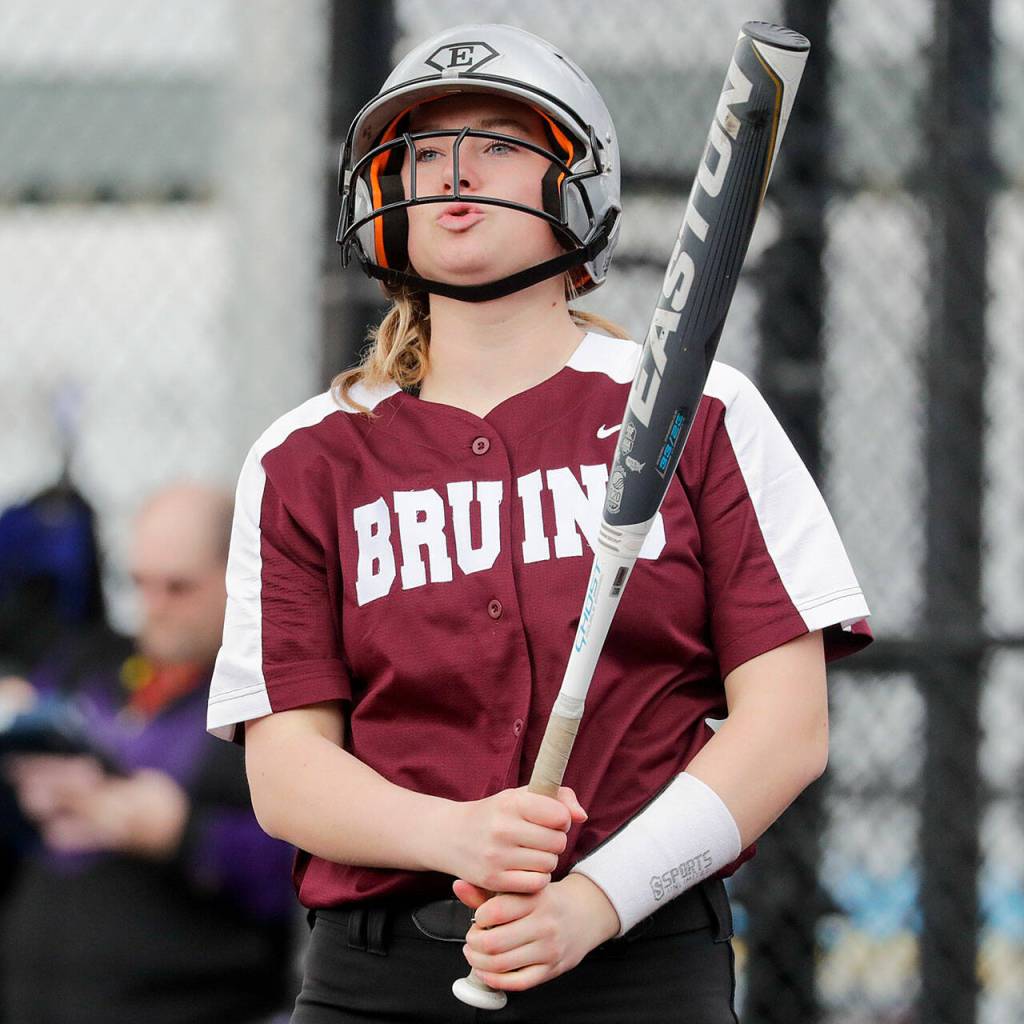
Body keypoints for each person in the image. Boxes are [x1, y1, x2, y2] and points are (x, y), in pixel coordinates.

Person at [207, 23, 872, 1024]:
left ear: (576, 185)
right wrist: (457, 835)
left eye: (499, 144)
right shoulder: (307, 456)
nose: (453, 172)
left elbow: (786, 727)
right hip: (378, 981)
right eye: (423, 152)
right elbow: (288, 772)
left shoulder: (703, 409)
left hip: (639, 962)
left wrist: (594, 904)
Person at [2, 483, 297, 1024]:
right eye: (139, 583)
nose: (152, 608)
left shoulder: (276, 704)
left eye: (178, 588)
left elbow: (308, 871)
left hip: (192, 1000)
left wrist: (182, 833)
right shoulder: (87, 664)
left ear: (240, 578)